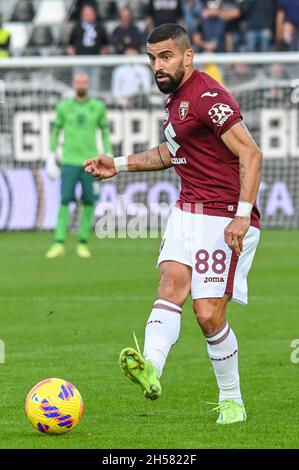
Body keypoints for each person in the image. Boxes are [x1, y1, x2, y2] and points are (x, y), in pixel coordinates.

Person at [84, 24, 262, 424]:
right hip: (187, 211)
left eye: (165, 57)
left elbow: (251, 154)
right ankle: (151, 369)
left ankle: (232, 400)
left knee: (207, 314)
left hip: (223, 215)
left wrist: (240, 214)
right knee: (170, 285)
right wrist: (120, 164)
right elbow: (172, 152)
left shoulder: (208, 95)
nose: (157, 66)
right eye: (151, 58)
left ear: (187, 56)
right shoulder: (176, 99)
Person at [46, 72, 112, 258]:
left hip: (90, 162)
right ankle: (58, 242)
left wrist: (109, 153)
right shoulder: (64, 107)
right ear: (74, 84)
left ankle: (83, 242)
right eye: (78, 81)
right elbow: (56, 131)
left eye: (84, 81)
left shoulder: (97, 107)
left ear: (88, 84)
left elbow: (104, 131)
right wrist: (51, 156)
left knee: (89, 201)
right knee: (65, 200)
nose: (81, 84)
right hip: (68, 161)